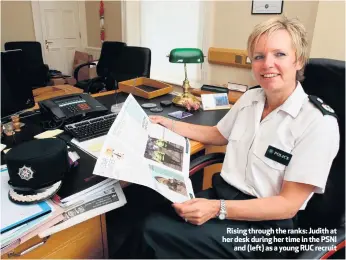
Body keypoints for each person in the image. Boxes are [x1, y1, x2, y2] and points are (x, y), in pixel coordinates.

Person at [117, 16, 340, 259]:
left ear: (298, 60)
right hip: (223, 198)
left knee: (152, 232)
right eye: (259, 56)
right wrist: (169, 124)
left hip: (268, 229)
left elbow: (287, 205)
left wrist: (216, 209)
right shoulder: (250, 98)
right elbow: (217, 134)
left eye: (280, 54)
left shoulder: (318, 123)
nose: (267, 64)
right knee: (151, 216)